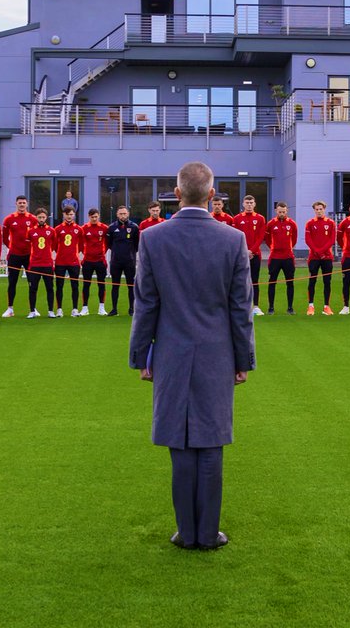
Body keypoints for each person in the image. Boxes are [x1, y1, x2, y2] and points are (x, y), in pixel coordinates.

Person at [128, 161, 255, 551]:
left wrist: (141, 357)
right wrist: (242, 360)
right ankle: (206, 533)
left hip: (171, 352)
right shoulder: (233, 239)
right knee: (210, 441)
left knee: (180, 443)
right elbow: (241, 309)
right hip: (217, 352)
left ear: (176, 193)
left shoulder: (153, 239)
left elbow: (145, 304)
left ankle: (187, 531)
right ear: (213, 196)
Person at [1, 196, 38, 318]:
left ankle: (33, 309)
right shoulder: (9, 219)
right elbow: (5, 237)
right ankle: (10, 308)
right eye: (19, 203)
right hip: (14, 255)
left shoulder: (33, 219)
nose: (22, 205)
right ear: (16, 204)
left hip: (29, 256)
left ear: (27, 204)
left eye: (23, 203)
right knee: (12, 282)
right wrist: (12, 247)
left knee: (31, 282)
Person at [232, 195, 267, 315]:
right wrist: (244, 251)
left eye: (251, 202)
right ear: (243, 204)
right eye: (247, 202)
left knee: (255, 280)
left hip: (255, 255)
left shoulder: (260, 218)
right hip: (241, 255)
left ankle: (256, 306)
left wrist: (251, 251)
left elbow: (261, 236)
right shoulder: (236, 219)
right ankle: (242, 306)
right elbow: (235, 237)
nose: (249, 205)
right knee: (240, 280)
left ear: (255, 204)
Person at [264, 202, 297, 315]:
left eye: (283, 212)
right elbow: (267, 239)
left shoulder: (292, 224)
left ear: (286, 211)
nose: (282, 214)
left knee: (290, 283)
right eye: (279, 212)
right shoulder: (271, 224)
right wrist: (274, 248)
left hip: (288, 257)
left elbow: (295, 239)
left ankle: (290, 308)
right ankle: (271, 307)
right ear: (276, 211)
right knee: (272, 282)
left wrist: (288, 249)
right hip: (275, 258)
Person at [105, 205, 139, 316]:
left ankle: (131, 309)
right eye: (120, 214)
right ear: (117, 214)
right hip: (116, 261)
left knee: (131, 285)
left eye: (124, 213)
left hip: (129, 261)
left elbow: (137, 244)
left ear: (128, 214)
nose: (123, 216)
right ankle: (114, 309)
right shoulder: (111, 228)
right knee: (115, 285)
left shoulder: (134, 227)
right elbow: (109, 244)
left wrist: (130, 254)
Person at [303, 201, 336, 316]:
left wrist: (322, 252)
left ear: (324, 209)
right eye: (316, 209)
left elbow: (332, 240)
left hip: (326, 257)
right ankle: (311, 306)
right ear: (314, 210)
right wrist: (317, 252)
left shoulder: (331, 223)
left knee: (327, 282)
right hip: (314, 257)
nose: (319, 211)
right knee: (312, 281)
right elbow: (308, 240)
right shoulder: (310, 223)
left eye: (320, 209)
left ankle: (326, 306)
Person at [26, 208, 57, 318]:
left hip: (47, 264)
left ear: (46, 218)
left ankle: (50, 311)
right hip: (35, 264)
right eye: (39, 217)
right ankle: (32, 311)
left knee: (49, 288)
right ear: (36, 218)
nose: (41, 219)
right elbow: (28, 245)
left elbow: (54, 245)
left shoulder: (51, 231)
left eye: (43, 217)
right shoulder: (30, 231)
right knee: (33, 288)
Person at [53, 207, 83, 317]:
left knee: (75, 286)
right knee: (59, 286)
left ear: (74, 215)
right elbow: (55, 245)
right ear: (63, 215)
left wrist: (74, 255)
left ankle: (75, 309)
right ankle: (59, 309)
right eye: (67, 214)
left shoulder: (79, 229)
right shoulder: (57, 229)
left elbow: (81, 245)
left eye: (71, 214)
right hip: (60, 262)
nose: (69, 216)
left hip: (74, 262)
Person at [80, 209, 109, 316]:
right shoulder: (84, 228)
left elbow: (108, 243)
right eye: (92, 217)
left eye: (96, 217)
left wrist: (101, 253)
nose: (94, 219)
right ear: (89, 217)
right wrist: (86, 253)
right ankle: (84, 307)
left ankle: (101, 307)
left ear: (99, 216)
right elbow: (80, 243)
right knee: (86, 284)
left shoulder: (104, 228)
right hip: (87, 261)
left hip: (100, 261)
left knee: (101, 284)